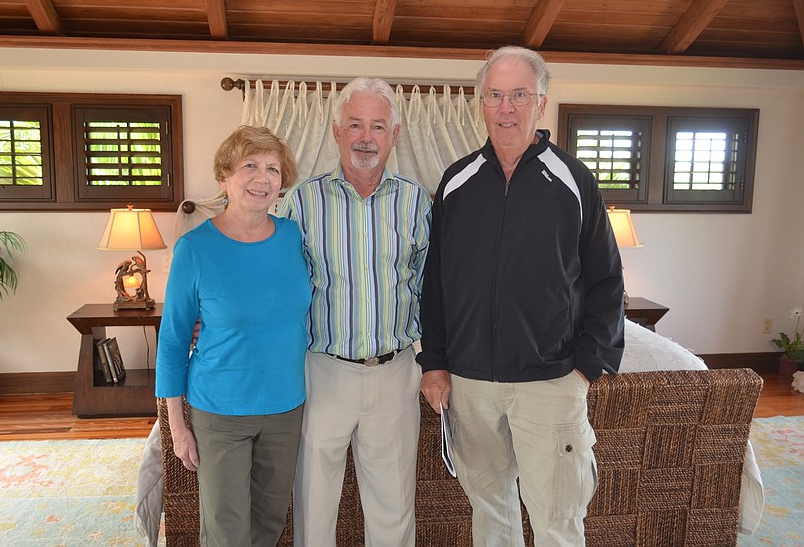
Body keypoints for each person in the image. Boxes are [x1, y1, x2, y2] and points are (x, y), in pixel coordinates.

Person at [417, 46, 625, 546]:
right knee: (490, 512)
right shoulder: (455, 183)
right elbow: (436, 285)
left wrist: (585, 367)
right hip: (470, 385)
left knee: (557, 519)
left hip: (551, 383)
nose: (506, 108)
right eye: (495, 95)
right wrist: (435, 363)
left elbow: (607, 283)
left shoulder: (575, 182)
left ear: (541, 103)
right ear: (481, 103)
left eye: (519, 95)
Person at [278, 77, 432, 547]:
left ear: (395, 135)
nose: (366, 137)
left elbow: (432, 289)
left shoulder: (416, 202)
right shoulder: (301, 202)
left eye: (378, 126)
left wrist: (438, 364)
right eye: (356, 125)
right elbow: (278, 288)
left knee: (393, 510)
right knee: (314, 508)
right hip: (322, 372)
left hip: (395, 372)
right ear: (336, 131)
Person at [156, 125, 310, 547]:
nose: (263, 179)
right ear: (224, 177)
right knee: (226, 531)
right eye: (250, 166)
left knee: (270, 523)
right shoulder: (195, 249)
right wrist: (176, 425)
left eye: (273, 169)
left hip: (286, 407)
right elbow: (172, 340)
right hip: (220, 412)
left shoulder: (295, 237)